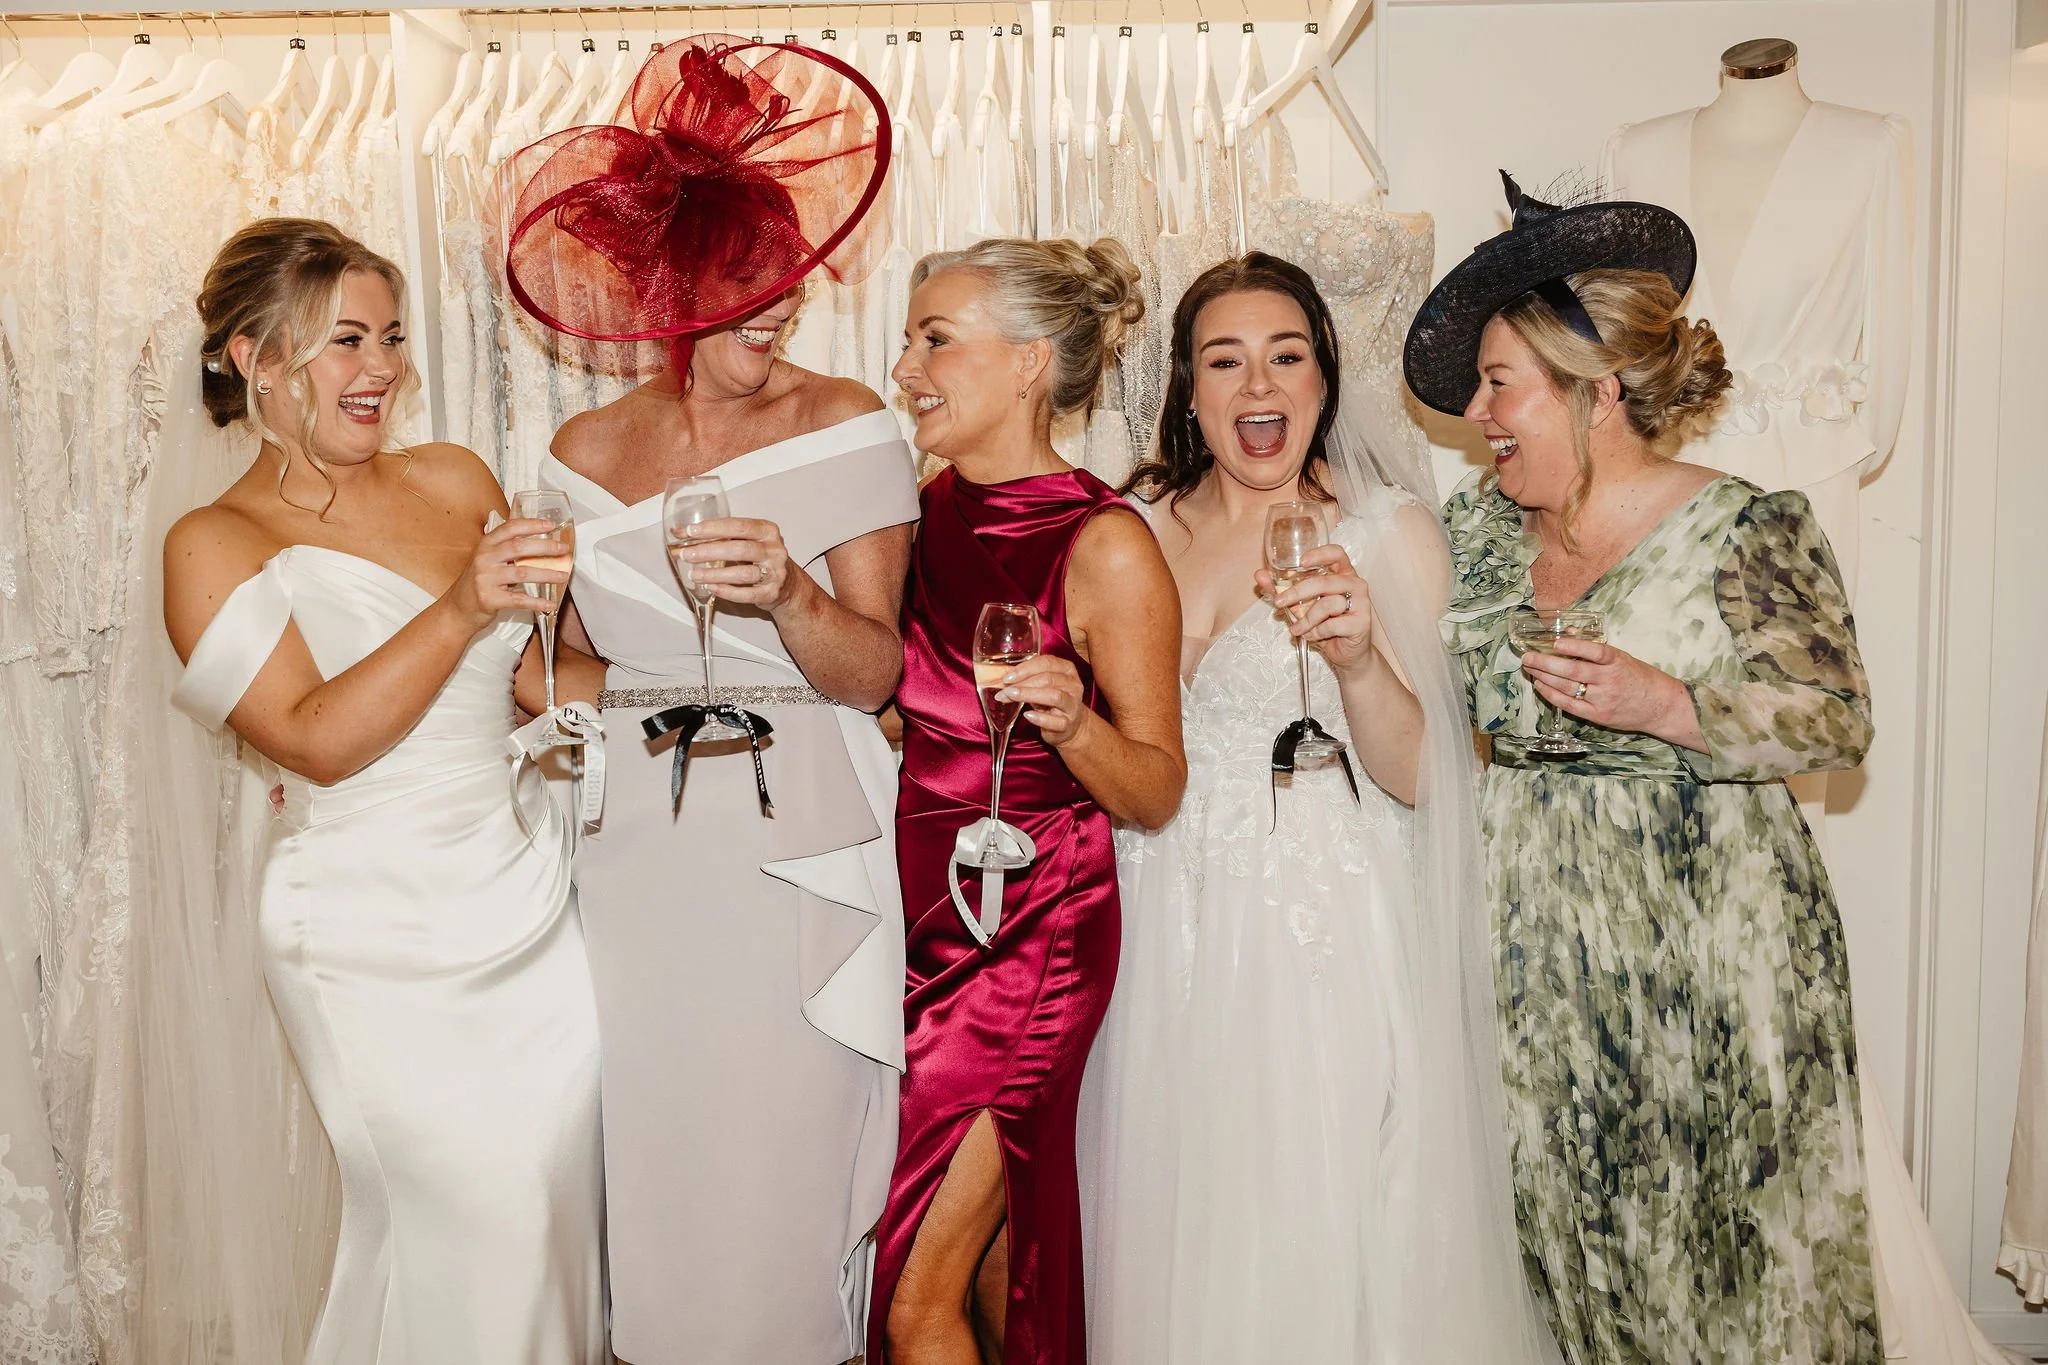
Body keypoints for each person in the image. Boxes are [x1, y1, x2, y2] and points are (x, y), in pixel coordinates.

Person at [1405, 174, 1883, 1364]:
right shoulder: (1469, 532)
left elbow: (1836, 722)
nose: (1478, 412)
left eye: (1499, 383)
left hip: (1716, 944)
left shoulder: (1743, 525)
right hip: (1531, 943)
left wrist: (1668, 704)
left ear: (1595, 391)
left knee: (1730, 1246)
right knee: (1569, 1230)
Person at [504, 37, 912, 1365]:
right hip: (641, 865)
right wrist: (623, 677)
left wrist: (787, 597)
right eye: (740, 288)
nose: (774, 308)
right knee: (658, 1173)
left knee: (782, 1179)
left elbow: (877, 672)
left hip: (796, 852)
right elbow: (537, 672)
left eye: (784, 282)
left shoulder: (849, 420)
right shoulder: (581, 454)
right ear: (664, 296)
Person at [1080, 251, 1561, 1364]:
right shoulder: (1126, 527)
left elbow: (1431, 777)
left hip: (1314, 920)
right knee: (1159, 1209)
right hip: (1147, 914)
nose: (1259, 385)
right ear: (1189, 394)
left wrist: (1354, 663)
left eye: (1285, 357)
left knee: (1310, 1211)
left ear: (1322, 382)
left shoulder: (1386, 532)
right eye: (1225, 360)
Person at [162, 218, 604, 1361]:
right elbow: (310, 738)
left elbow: (527, 682)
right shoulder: (216, 541)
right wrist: (462, 602)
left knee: (551, 1215)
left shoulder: (454, 475)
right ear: (252, 358)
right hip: (369, 925)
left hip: (525, 898)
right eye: (344, 341)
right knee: (467, 1220)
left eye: (393, 337)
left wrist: (721, 688)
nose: (382, 368)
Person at [874, 237, 1185, 1365]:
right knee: (995, 1279)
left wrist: (1073, 721)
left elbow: (1154, 787)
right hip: (915, 921)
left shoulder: (1103, 544)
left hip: (1030, 927)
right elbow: (906, 718)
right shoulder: (921, 511)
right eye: (910, 338)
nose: (905, 365)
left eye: (935, 339)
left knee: (911, 1296)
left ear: (1026, 365)